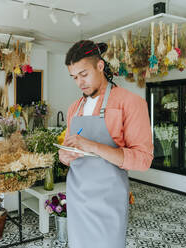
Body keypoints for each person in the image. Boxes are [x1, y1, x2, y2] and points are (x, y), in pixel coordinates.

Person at [59, 40, 153, 248]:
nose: (79, 83)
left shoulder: (131, 103)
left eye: (84, 74)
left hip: (108, 202)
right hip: (77, 199)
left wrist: (93, 146)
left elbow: (144, 160)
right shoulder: (74, 108)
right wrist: (64, 157)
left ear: (100, 66)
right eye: (74, 77)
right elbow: (69, 148)